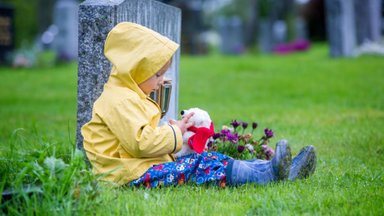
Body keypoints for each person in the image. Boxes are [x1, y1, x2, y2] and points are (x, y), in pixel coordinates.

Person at [81, 22, 316, 188]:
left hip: (138, 169)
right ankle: (269, 175)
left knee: (213, 160)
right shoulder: (119, 100)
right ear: (134, 70)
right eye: (157, 74)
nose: (162, 80)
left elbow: (138, 139)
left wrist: (172, 132)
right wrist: (176, 131)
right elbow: (140, 143)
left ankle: (274, 169)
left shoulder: (127, 94)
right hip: (126, 176)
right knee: (201, 165)